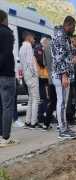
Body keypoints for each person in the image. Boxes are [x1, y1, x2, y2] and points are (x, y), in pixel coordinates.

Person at [51, 16, 76, 138]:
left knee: (63, 102)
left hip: (63, 74)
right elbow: (59, 58)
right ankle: (62, 131)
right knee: (62, 102)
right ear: (67, 25)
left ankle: (64, 127)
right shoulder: (60, 36)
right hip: (61, 75)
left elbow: (65, 58)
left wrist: (73, 61)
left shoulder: (64, 37)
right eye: (73, 27)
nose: (73, 30)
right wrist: (64, 75)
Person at [0, 9, 20, 146]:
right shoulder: (7, 32)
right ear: (5, 19)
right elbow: (7, 54)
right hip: (6, 75)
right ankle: (6, 138)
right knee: (7, 107)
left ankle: (1, 135)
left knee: (0, 107)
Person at [19, 31, 42, 130]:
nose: (34, 40)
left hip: (26, 77)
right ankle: (33, 122)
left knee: (31, 99)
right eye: (33, 38)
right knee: (36, 99)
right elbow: (30, 62)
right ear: (28, 38)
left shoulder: (21, 48)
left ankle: (28, 121)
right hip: (32, 76)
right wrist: (37, 73)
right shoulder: (28, 47)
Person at [34, 37, 50, 123]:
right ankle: (47, 116)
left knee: (44, 98)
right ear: (45, 43)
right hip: (42, 77)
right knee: (46, 97)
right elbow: (41, 61)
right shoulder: (39, 50)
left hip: (45, 77)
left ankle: (41, 116)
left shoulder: (42, 50)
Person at [11, 30, 24, 127]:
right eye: (13, 36)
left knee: (14, 99)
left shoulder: (12, 50)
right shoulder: (9, 50)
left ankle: (15, 118)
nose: (15, 38)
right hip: (11, 78)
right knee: (12, 100)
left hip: (14, 78)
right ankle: (15, 119)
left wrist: (18, 79)